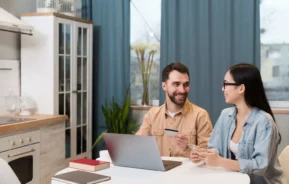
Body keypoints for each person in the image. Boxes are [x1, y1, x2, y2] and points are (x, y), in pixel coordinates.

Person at [190, 63, 286, 183]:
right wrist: (205, 155)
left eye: (226, 84)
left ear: (241, 88)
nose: (222, 88)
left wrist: (219, 161)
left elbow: (259, 166)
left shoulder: (264, 121)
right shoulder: (226, 115)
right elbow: (214, 147)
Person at [136, 62, 213, 157]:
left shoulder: (201, 115)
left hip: (188, 171)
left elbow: (208, 155)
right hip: (159, 171)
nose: (182, 90)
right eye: (176, 84)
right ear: (164, 86)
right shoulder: (152, 115)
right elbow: (138, 145)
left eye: (186, 84)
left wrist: (187, 148)